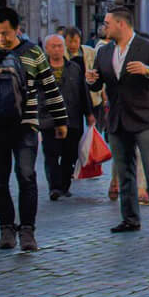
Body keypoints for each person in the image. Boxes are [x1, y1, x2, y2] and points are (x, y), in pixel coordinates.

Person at [0, 6, 67, 252]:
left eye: (5, 33)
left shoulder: (33, 52)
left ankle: (27, 230)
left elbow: (50, 88)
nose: (1, 39)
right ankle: (6, 227)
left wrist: (61, 122)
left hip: (25, 124)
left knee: (26, 175)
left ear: (17, 29)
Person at [89, 5, 149, 236]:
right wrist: (91, 80)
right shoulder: (104, 52)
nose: (103, 27)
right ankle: (129, 219)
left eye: (107, 24)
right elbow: (98, 84)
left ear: (121, 24)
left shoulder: (147, 47)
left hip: (143, 118)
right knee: (124, 171)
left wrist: (148, 71)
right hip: (117, 119)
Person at [41, 31, 93, 199]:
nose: (57, 50)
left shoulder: (74, 68)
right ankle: (54, 187)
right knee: (51, 154)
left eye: (60, 46)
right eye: (54, 46)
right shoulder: (39, 71)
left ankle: (64, 185)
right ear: (46, 49)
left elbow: (83, 93)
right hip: (49, 120)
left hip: (72, 119)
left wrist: (89, 114)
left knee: (69, 154)